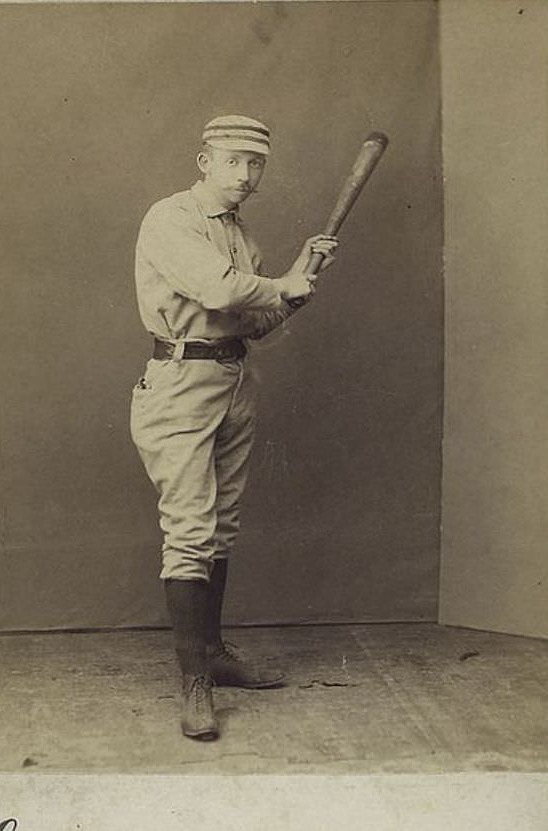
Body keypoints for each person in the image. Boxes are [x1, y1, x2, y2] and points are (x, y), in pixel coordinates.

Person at [130, 115, 338, 741]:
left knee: (220, 528)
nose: (246, 175)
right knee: (190, 529)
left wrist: (294, 292)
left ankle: (213, 655)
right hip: (178, 386)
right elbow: (219, 292)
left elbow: (248, 323)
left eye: (256, 164)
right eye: (234, 161)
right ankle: (193, 681)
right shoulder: (171, 218)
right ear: (205, 161)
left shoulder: (241, 237)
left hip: (232, 380)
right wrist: (280, 283)